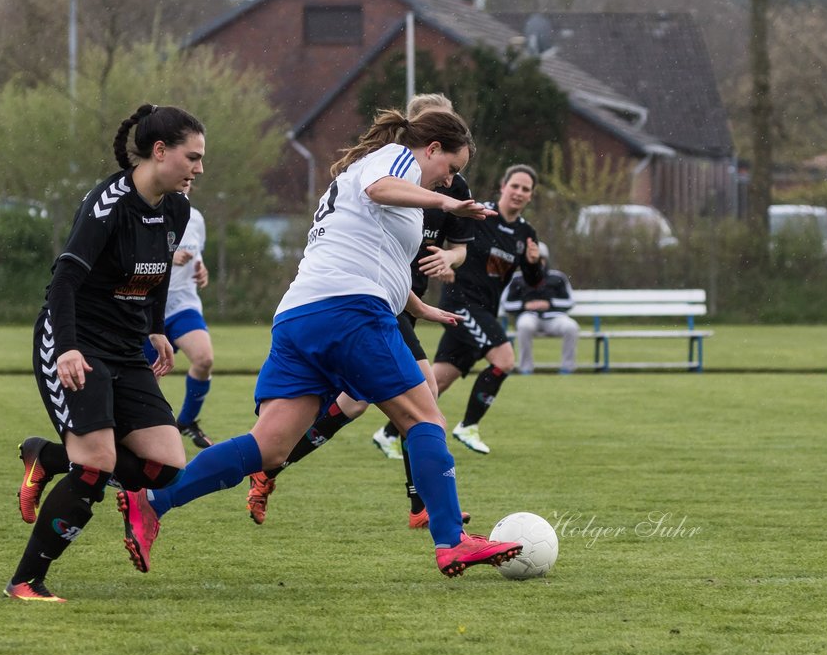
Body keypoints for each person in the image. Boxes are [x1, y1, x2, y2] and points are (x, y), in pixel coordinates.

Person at [115, 106, 523, 579]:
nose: (449, 181)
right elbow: (380, 191)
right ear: (430, 149)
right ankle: (452, 541)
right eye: (450, 169)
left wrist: (418, 308)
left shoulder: (372, 174)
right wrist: (448, 206)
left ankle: (153, 501)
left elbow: (369, 247)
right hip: (349, 312)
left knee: (268, 446)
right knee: (425, 415)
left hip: (302, 314)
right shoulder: (395, 160)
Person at [243, 93, 476, 530]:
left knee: (363, 405)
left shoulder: (449, 183)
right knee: (405, 400)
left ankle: (272, 466)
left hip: (393, 299)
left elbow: (459, 247)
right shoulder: (386, 165)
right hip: (364, 299)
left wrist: (449, 262)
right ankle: (425, 507)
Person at [3, 103, 204, 602]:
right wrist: (67, 349)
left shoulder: (177, 209)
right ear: (160, 152)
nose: (199, 168)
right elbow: (64, 280)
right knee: (94, 467)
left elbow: (157, 275)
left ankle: (45, 457)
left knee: (165, 464)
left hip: (124, 346)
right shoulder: (107, 203)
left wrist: (156, 330)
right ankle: (26, 581)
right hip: (75, 340)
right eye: (192, 157)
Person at [430, 165, 544, 454]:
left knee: (439, 379)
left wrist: (533, 262)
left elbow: (534, 281)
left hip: (485, 310)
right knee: (504, 359)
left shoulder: (525, 233)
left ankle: (390, 432)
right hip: (461, 302)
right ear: (503, 186)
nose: (519, 193)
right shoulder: (480, 214)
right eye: (515, 186)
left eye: (525, 189)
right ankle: (468, 426)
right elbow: (446, 234)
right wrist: (446, 260)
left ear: (531, 196)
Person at [141, 201, 216, 448]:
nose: (185, 183)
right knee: (148, 379)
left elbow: (197, 253)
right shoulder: (145, 213)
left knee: (204, 359)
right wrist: (169, 257)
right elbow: (133, 256)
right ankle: (144, 439)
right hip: (149, 307)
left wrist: (201, 268)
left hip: (184, 304)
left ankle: (186, 421)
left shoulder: (195, 217)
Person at [501, 242, 580, 374]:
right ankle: (526, 368)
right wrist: (524, 305)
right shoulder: (516, 279)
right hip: (528, 316)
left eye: (539, 259)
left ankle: (568, 367)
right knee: (524, 326)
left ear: (544, 260)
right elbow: (506, 304)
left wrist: (550, 303)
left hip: (554, 317)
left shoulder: (558, 277)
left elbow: (569, 302)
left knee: (571, 327)